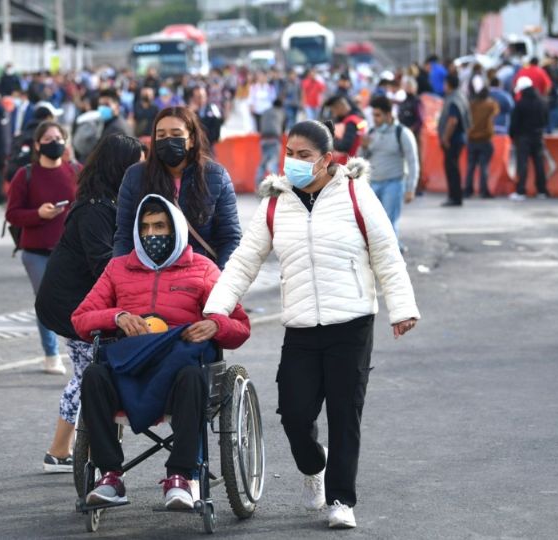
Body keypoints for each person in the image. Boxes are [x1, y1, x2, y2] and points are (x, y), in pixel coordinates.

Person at [203, 120, 420, 529]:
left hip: (352, 322)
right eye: (290, 153)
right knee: (294, 414)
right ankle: (313, 467)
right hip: (301, 325)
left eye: (304, 156)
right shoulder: (274, 203)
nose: (294, 162)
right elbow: (244, 261)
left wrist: (402, 307)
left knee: (344, 413)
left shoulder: (355, 193)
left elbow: (386, 253)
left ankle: (341, 499)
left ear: (327, 159)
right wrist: (218, 307)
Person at [75, 195, 250, 510]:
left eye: (159, 226)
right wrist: (116, 316)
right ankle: (110, 475)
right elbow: (81, 319)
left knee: (192, 377)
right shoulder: (118, 268)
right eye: (145, 228)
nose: (151, 234)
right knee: (93, 376)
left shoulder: (202, 269)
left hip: (179, 375)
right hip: (129, 369)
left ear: (176, 229)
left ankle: (180, 476)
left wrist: (214, 326)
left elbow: (240, 326)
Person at [35, 135, 144, 473]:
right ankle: (59, 451)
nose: (142, 172)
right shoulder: (95, 209)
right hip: (73, 305)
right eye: (137, 166)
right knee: (87, 376)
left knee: (87, 374)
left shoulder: (107, 203)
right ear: (120, 168)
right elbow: (104, 264)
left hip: (83, 302)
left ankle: (60, 450)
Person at [113, 107, 241, 270]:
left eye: (176, 135)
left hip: (200, 279)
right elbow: (124, 236)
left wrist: (221, 282)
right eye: (161, 135)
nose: (168, 140)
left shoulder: (216, 176)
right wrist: (122, 278)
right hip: (150, 279)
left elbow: (230, 238)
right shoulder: (135, 176)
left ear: (192, 139)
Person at [5, 122, 78, 375]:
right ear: (37, 145)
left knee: (76, 300)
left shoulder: (76, 171)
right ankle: (51, 353)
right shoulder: (25, 174)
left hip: (70, 251)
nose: (54, 142)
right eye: (48, 138)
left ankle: (79, 349)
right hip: (36, 251)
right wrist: (38, 213)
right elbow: (13, 214)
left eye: (59, 137)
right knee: (45, 301)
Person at [360, 96, 419, 248]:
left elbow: (413, 162)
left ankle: (392, 254)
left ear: (388, 115)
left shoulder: (402, 133)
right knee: (372, 223)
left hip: (394, 184)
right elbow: (362, 159)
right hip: (373, 184)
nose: (375, 119)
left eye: (378, 115)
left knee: (388, 222)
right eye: (373, 115)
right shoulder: (372, 132)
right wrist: (364, 147)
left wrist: (410, 189)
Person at [509, 77, 549, 201]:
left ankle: (521, 191)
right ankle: (542, 191)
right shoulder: (542, 101)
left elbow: (514, 123)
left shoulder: (520, 104)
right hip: (538, 136)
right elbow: (546, 120)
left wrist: (513, 136)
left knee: (522, 165)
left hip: (523, 138)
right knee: (539, 164)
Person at [438, 73, 471, 207]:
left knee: (452, 169)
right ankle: (455, 196)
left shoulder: (453, 100)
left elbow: (453, 121)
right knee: (453, 167)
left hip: (453, 139)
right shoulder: (460, 96)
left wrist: (445, 137)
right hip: (459, 138)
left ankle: (455, 197)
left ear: (449, 84)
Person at [464, 81, 499, 199]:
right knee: (484, 166)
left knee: (470, 166)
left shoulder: (471, 105)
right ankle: (484, 191)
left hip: (472, 138)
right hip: (485, 139)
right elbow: (496, 111)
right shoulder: (490, 105)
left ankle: (468, 189)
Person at [323, 95, 366, 165]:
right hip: (356, 159)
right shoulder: (357, 117)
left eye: (333, 110)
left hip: (348, 163)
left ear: (339, 106)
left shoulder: (350, 123)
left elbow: (345, 146)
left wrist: (330, 140)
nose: (333, 113)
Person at [256, 99, 285, 181]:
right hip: (274, 139)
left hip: (263, 139)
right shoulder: (280, 112)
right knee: (274, 162)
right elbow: (283, 127)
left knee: (263, 164)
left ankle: (258, 185)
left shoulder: (265, 112)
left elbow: (259, 124)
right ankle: (275, 185)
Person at [185, 85, 222, 150]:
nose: (201, 99)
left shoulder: (212, 108)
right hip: (193, 148)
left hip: (208, 146)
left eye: (202, 96)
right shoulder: (188, 111)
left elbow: (217, 129)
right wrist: (190, 113)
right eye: (197, 97)